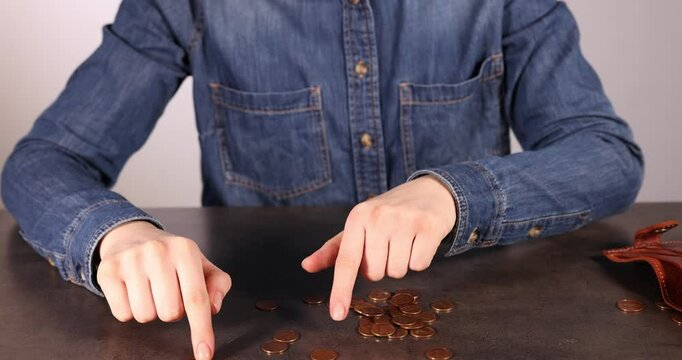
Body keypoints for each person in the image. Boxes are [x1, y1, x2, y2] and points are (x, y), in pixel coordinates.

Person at [1, 1, 643, 359]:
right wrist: (115, 234)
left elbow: (605, 153)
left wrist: (455, 193)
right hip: (261, 320)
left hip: (484, 323)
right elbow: (41, 161)